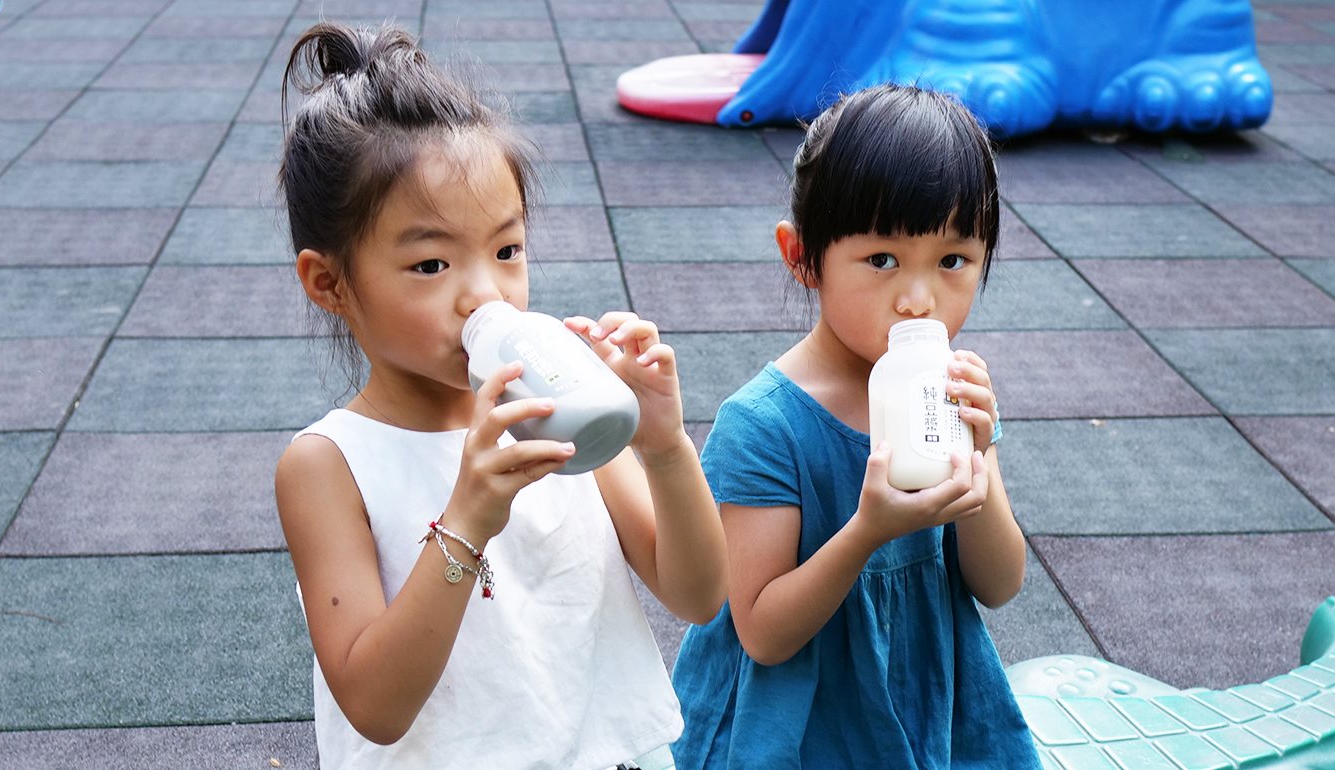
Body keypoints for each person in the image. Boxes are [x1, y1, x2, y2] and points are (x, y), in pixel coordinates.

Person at [270, 22, 727, 770]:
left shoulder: (561, 406)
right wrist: (467, 521)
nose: (483, 292)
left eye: (507, 250)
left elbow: (699, 594)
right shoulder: (329, 466)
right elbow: (377, 708)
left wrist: (664, 445)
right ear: (331, 284)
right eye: (430, 265)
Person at [670, 84, 1040, 769]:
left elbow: (1000, 582)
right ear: (803, 257)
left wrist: (980, 455)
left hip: (918, 703)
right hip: (798, 728)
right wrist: (867, 531)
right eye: (882, 260)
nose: (919, 297)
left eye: (953, 260)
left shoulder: (949, 395)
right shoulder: (764, 425)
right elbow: (763, 633)